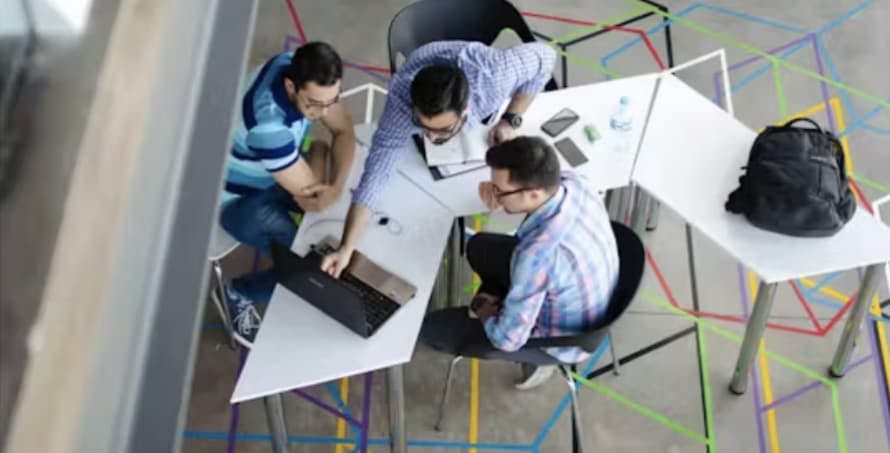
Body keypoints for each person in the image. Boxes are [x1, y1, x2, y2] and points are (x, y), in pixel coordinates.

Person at [320, 40, 557, 278]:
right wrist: (346, 247)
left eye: (443, 130)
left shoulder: (495, 77)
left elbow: (547, 56)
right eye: (424, 127)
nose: (432, 138)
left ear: (465, 110)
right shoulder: (401, 101)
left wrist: (511, 118)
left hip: (476, 67)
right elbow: (376, 175)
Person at [420, 136, 619, 389]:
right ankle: (515, 301)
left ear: (533, 193)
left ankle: (537, 363)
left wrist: (485, 314)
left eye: (499, 192)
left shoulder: (537, 256)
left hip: (562, 340)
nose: (495, 195)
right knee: (480, 246)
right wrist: (499, 194)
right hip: (588, 295)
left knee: (433, 329)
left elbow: (506, 340)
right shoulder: (575, 183)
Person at [218, 42, 356, 346]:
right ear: (290, 86)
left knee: (328, 214)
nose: (323, 113)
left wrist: (334, 186)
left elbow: (345, 130)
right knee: (306, 265)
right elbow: (312, 202)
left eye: (331, 101)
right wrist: (323, 168)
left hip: (273, 174)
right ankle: (238, 291)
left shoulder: (300, 66)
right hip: (238, 201)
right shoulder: (268, 126)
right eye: (315, 105)